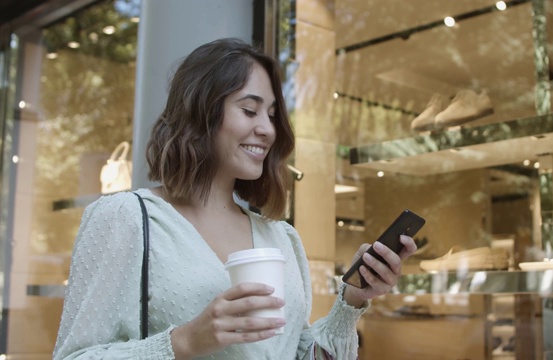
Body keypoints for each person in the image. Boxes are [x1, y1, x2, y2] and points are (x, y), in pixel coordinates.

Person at [53, 38, 417, 360]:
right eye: (249, 110)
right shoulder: (125, 218)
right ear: (201, 111)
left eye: (273, 115)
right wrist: (184, 342)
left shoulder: (281, 237)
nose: (267, 129)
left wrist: (352, 299)